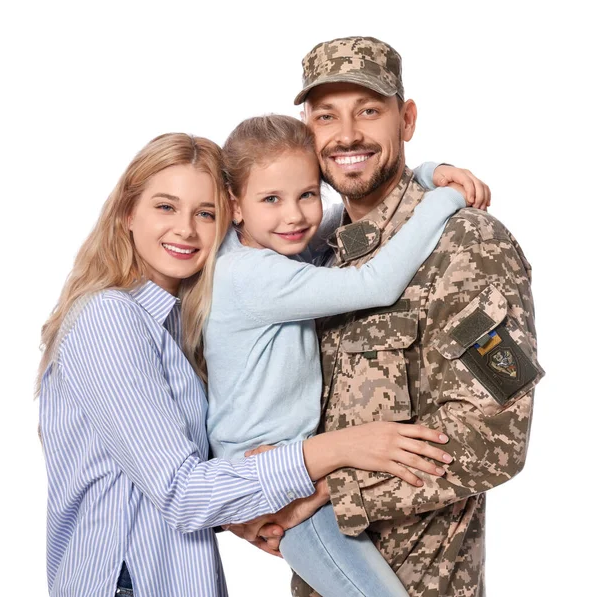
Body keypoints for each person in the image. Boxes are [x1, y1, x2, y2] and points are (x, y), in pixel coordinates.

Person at [37, 132, 462, 597]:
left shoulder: (179, 320)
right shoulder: (109, 319)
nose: (185, 229)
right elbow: (182, 494)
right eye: (165, 207)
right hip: (128, 583)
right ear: (127, 214)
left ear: (227, 216)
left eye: (204, 212)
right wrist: (342, 448)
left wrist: (242, 511)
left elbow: (153, 486)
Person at [235, 37, 544, 597]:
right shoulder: (313, 250)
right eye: (327, 115)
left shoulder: (467, 245)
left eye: (369, 111)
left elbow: (496, 436)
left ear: (407, 119)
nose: (347, 134)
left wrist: (329, 487)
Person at [204, 114, 487, 597]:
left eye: (307, 194)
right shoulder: (251, 275)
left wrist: (423, 173)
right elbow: (374, 283)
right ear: (235, 205)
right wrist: (445, 199)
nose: (294, 216)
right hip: (278, 477)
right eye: (271, 199)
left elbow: (351, 226)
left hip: (290, 467)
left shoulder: (260, 249)